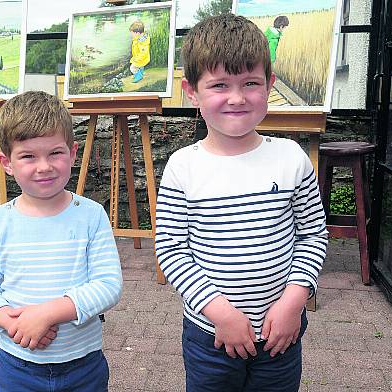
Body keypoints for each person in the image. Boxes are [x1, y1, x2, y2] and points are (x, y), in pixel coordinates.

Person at [155, 14, 327, 392]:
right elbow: (171, 251)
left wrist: (293, 304)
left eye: (250, 83)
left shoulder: (291, 158)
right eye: (219, 85)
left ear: (270, 85)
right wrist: (222, 313)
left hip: (280, 331)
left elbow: (314, 236)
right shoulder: (183, 167)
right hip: (211, 335)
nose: (236, 97)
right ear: (192, 91)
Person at [0, 91, 123, 391]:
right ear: (6, 162)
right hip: (18, 364)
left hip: (83, 365)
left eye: (55, 153)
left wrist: (47, 313)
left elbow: (108, 285)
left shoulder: (91, 215)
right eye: (28, 156)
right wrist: (9, 321)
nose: (44, 166)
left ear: (73, 152)